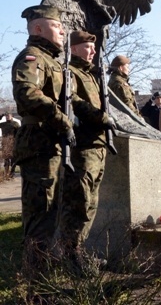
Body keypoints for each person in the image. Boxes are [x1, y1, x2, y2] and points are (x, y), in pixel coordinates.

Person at [11, 5, 76, 272]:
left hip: (50, 145)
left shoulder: (52, 60)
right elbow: (27, 92)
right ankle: (38, 293)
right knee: (40, 222)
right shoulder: (32, 56)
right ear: (38, 28)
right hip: (39, 144)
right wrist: (61, 120)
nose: (62, 29)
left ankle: (45, 285)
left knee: (51, 217)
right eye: (56, 25)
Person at [59, 30, 116, 269]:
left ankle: (79, 253)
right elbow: (73, 102)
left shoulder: (90, 74)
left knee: (91, 203)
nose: (93, 51)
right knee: (79, 203)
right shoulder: (70, 72)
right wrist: (102, 118)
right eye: (88, 47)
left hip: (98, 145)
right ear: (73, 49)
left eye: (93, 47)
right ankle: (71, 255)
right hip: (83, 147)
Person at [0, 112, 20, 179]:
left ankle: (12, 174)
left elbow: (19, 134)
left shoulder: (15, 124)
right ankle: (6, 174)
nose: (7, 117)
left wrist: (17, 143)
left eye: (8, 116)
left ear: (12, 116)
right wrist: (0, 117)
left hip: (12, 143)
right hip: (5, 143)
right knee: (6, 160)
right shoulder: (3, 124)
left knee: (13, 160)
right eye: (6, 116)